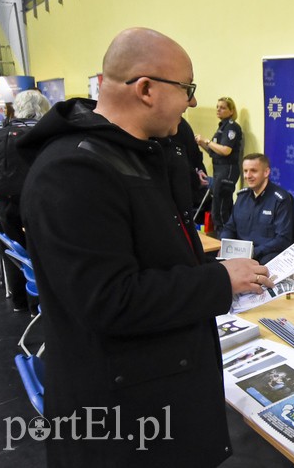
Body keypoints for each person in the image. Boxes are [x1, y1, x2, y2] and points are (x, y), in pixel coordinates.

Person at [18, 27, 274, 467]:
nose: (192, 102)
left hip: (161, 395)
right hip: (125, 425)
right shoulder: (74, 171)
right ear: (146, 89)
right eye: (187, 89)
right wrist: (219, 280)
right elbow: (109, 299)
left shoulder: (142, 154)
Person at [0, 90, 50, 313]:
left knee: (13, 249)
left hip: (4, 200)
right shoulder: (45, 132)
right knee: (40, 250)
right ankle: (38, 304)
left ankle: (19, 300)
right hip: (39, 200)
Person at [219, 153, 294, 264]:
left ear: (266, 172)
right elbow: (229, 228)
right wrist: (225, 246)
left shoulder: (281, 200)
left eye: (253, 171)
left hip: (266, 255)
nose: (248, 176)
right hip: (241, 255)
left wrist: (253, 252)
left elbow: (283, 240)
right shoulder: (242, 197)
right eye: (245, 171)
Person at [195, 96, 243, 232]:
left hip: (227, 170)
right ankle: (222, 236)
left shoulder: (232, 127)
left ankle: (224, 239)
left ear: (231, 111)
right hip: (218, 169)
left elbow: (226, 150)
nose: (218, 110)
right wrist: (202, 143)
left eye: (222, 108)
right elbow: (213, 151)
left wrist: (207, 141)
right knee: (218, 205)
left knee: (220, 208)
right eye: (217, 107)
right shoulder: (222, 128)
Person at [171, 116, 209, 216]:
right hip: (189, 178)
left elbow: (189, 157)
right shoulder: (179, 123)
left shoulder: (178, 125)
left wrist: (197, 176)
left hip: (185, 182)